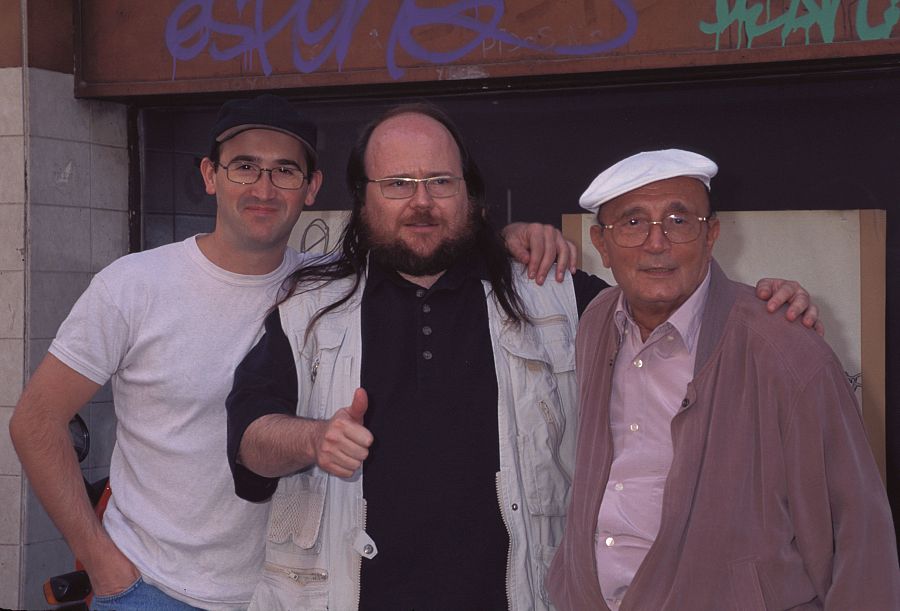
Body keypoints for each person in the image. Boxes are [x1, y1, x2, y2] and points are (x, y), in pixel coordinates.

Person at [6, 93, 601, 610]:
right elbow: (37, 422)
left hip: (285, 592)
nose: (264, 187)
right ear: (210, 175)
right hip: (158, 589)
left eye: (285, 171)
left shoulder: (320, 285)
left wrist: (514, 243)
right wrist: (100, 564)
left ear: (311, 188)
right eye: (244, 167)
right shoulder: (142, 287)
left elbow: (433, 240)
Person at [226, 107, 820, 610]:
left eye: (441, 182)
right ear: (362, 199)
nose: (422, 202)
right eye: (398, 184)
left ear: (471, 195)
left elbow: (666, 312)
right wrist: (311, 440)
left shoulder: (552, 294)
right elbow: (248, 439)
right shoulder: (308, 310)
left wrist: (757, 307)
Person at [546, 149, 900, 610]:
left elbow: (859, 534)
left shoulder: (785, 348)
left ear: (711, 234)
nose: (657, 242)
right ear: (601, 243)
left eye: (679, 220)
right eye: (632, 223)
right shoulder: (596, 321)